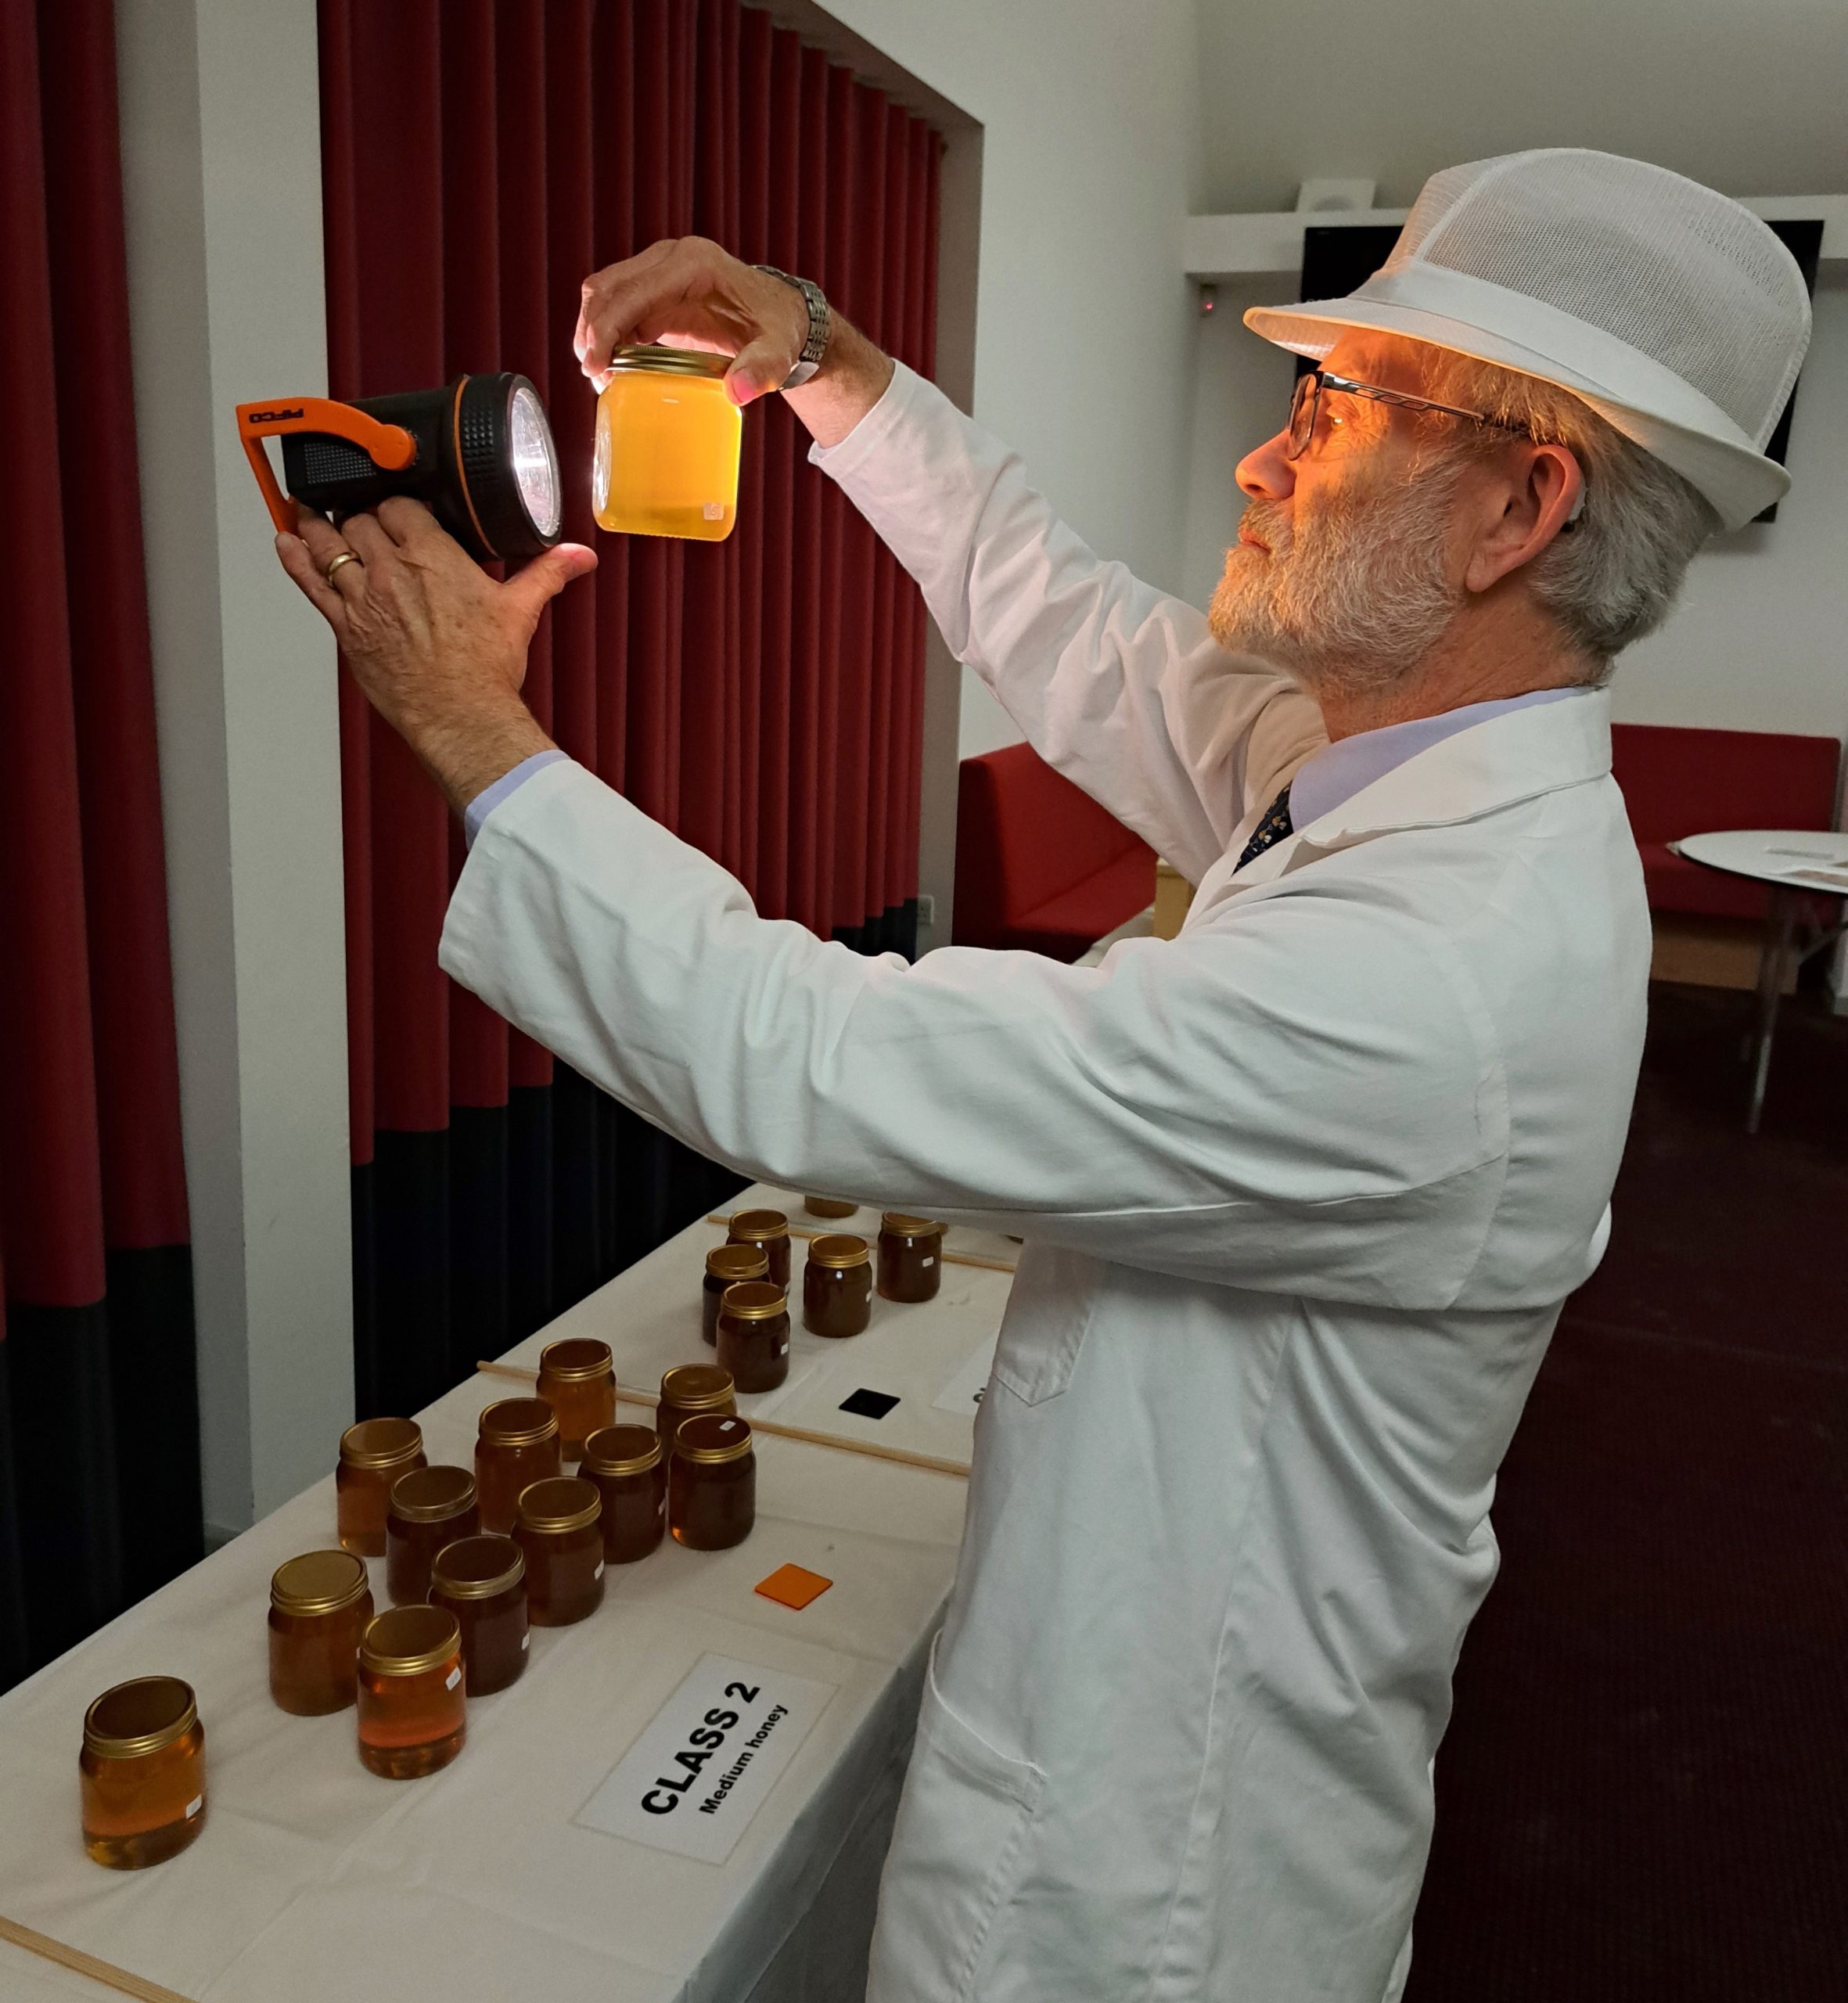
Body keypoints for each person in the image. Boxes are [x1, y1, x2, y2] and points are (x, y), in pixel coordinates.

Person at [275, 150, 1810, 2001]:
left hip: (1152, 1889)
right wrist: (822, 362)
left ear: (1514, 505)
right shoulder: (1377, 776)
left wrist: (471, 723)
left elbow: (817, 1050)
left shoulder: (1443, 969)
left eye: (1326, 411)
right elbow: (1064, 620)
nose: (1256, 463)